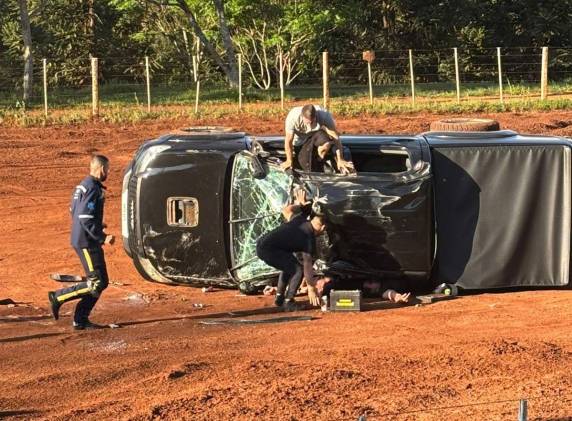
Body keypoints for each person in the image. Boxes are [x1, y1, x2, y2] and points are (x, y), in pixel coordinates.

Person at [48, 155, 114, 330]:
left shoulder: (83, 186)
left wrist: (97, 224)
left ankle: (80, 319)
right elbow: (84, 217)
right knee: (96, 283)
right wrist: (102, 236)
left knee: (102, 281)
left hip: (84, 238)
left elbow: (74, 210)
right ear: (101, 169)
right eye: (107, 169)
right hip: (87, 241)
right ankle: (59, 297)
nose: (108, 172)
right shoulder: (93, 187)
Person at [256, 189, 326, 311]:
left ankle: (279, 298)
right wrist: (311, 288)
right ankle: (289, 302)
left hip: (262, 244)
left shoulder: (300, 220)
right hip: (268, 249)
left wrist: (300, 205)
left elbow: (286, 210)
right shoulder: (309, 238)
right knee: (297, 270)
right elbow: (307, 265)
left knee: (289, 264)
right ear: (323, 227)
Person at [281, 104, 354, 174]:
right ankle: (313, 161)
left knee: (327, 143)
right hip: (299, 140)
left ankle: (319, 159)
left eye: (312, 122)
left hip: (316, 134)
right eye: (307, 122)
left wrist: (340, 159)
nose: (309, 125)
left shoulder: (324, 115)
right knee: (304, 163)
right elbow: (288, 141)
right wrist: (289, 160)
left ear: (315, 116)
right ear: (302, 117)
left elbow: (336, 137)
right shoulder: (293, 117)